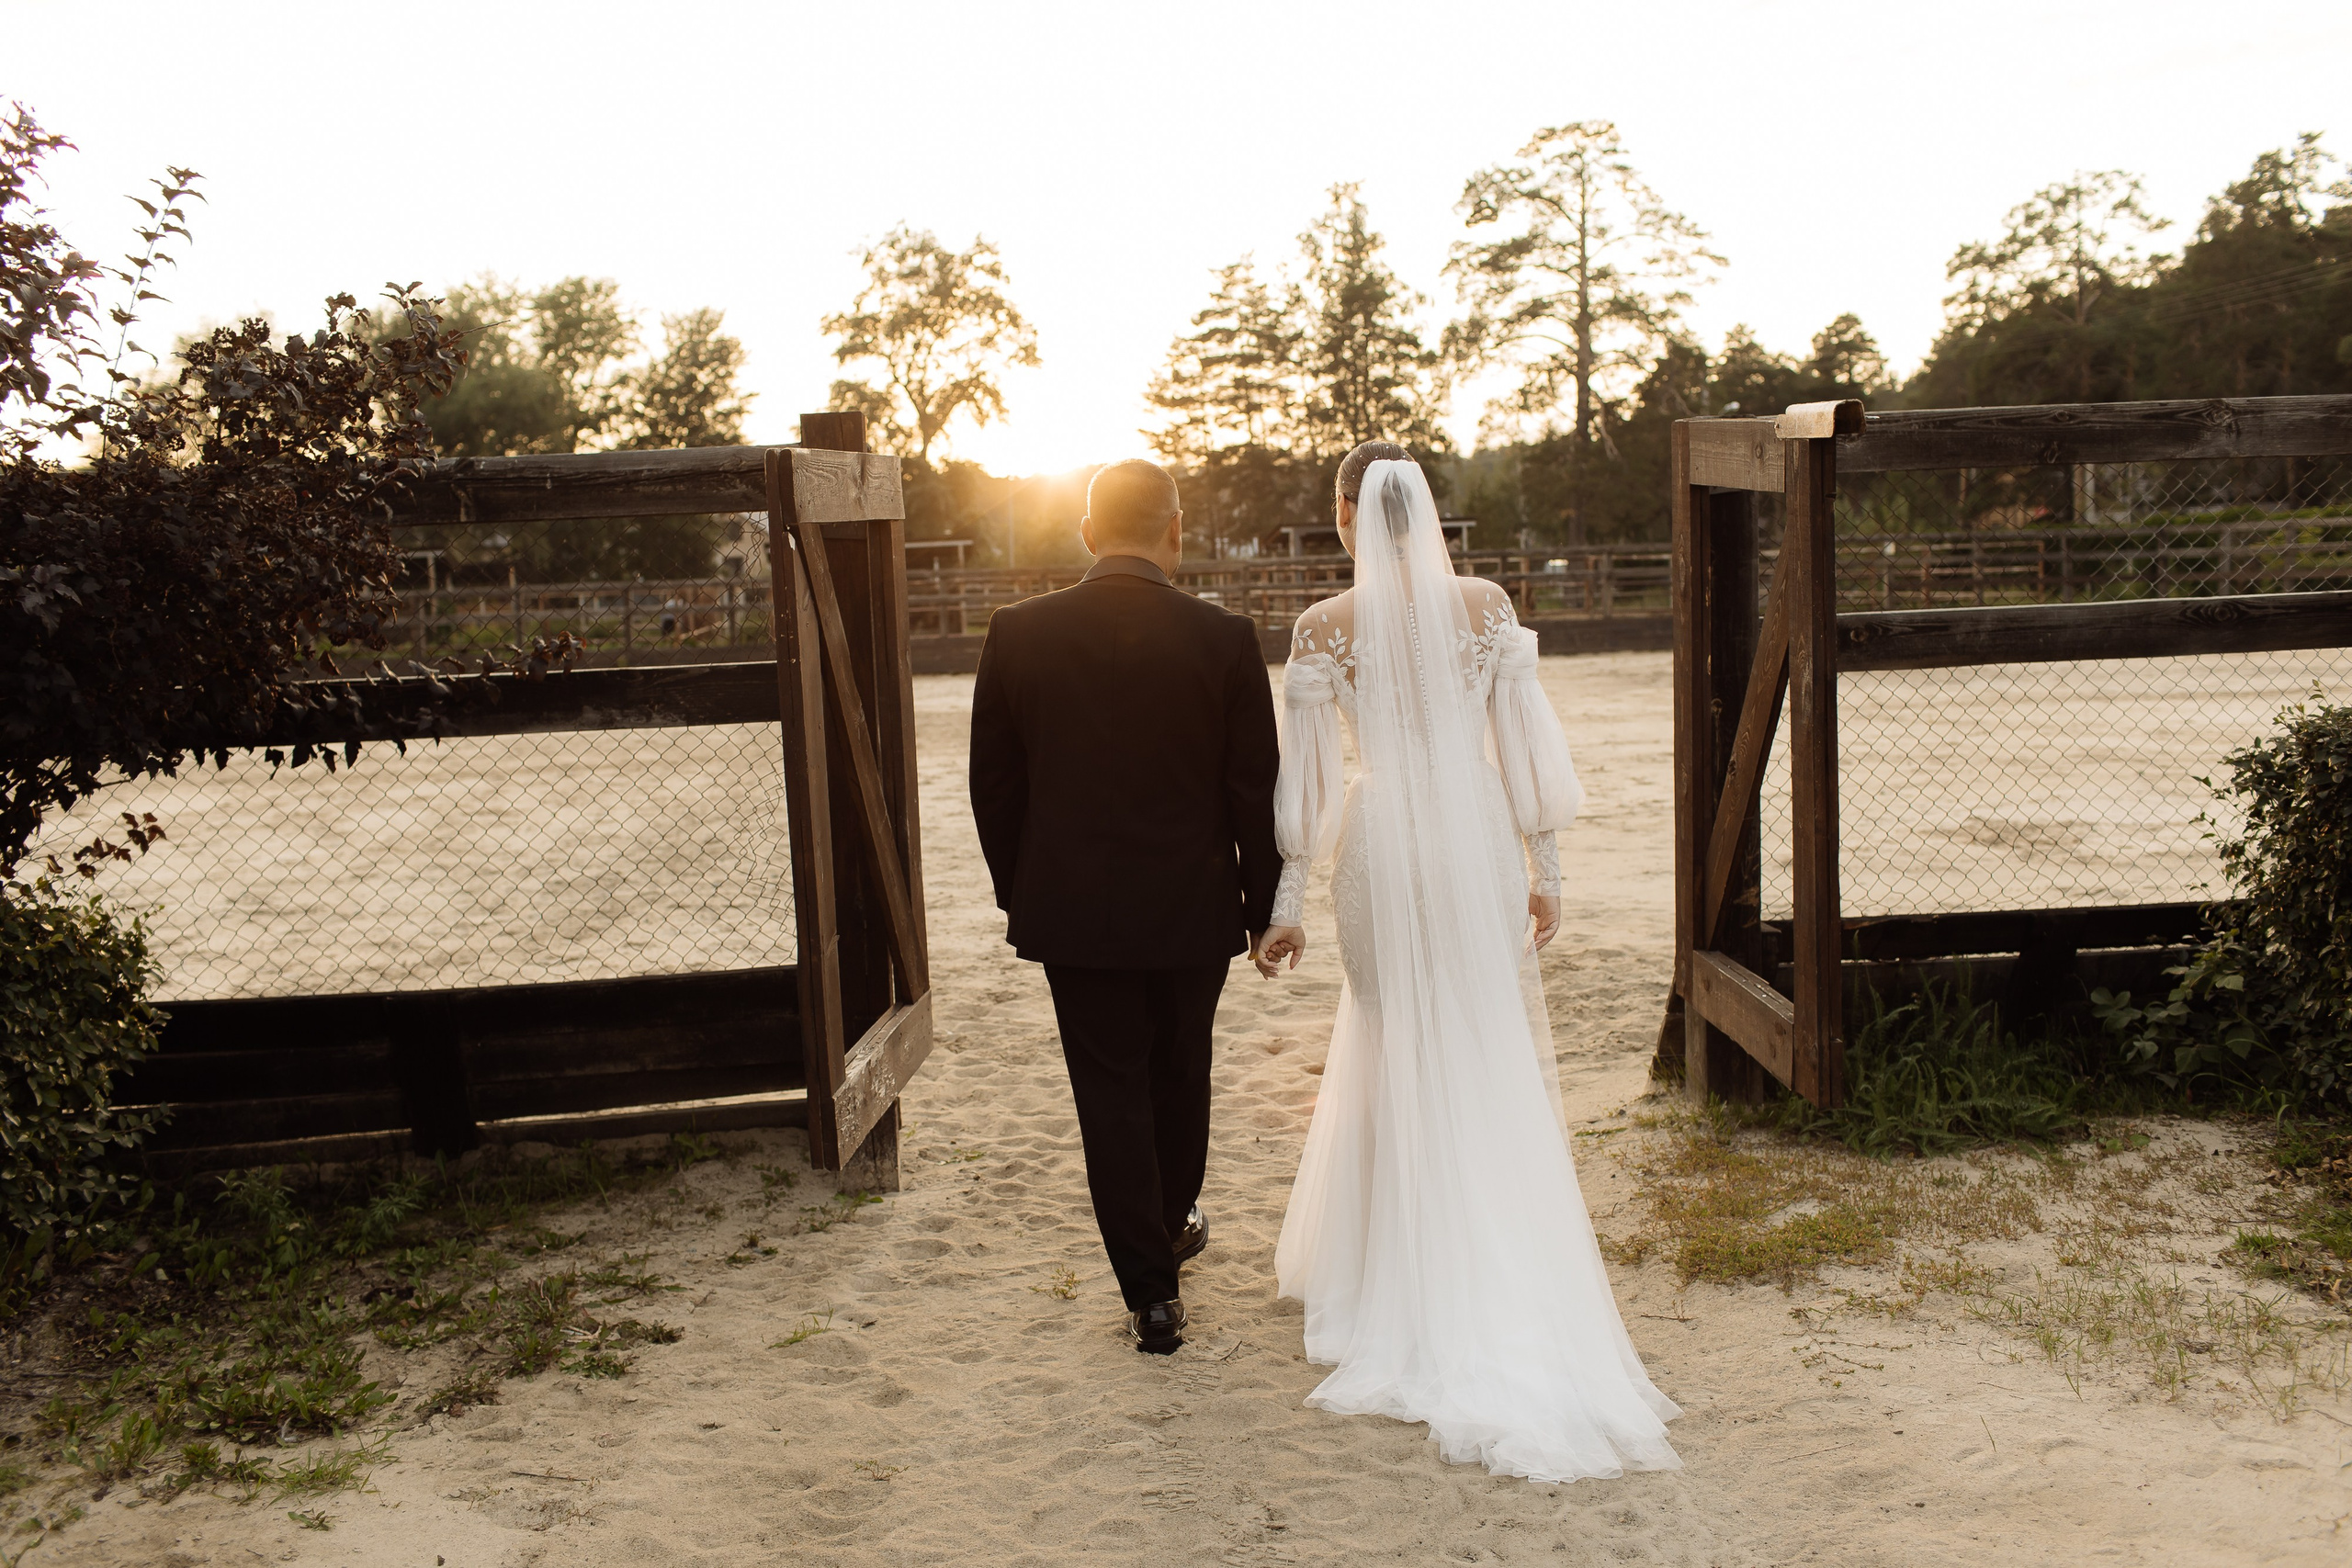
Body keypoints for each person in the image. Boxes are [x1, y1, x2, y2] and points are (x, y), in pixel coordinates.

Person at [1255, 443, 1682, 1483]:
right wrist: (1548, 871)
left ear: (1353, 513)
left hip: (1385, 833)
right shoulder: (1487, 605)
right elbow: (1523, 745)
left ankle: (1394, 1269)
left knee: (1388, 1032)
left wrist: (1282, 905)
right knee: (1479, 1038)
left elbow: (1306, 787)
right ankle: (1484, 1249)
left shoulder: (1321, 628)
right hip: (1479, 834)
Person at [967, 458, 1282, 1354]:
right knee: (1181, 1076)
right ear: (1176, 532)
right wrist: (1263, 908)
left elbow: (995, 784)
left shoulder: (1017, 633)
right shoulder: (1224, 639)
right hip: (1190, 910)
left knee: (1109, 1094)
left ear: (1086, 533)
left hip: (1071, 911)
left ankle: (1150, 1294)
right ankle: (1172, 1224)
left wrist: (1019, 891)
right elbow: (1252, 793)